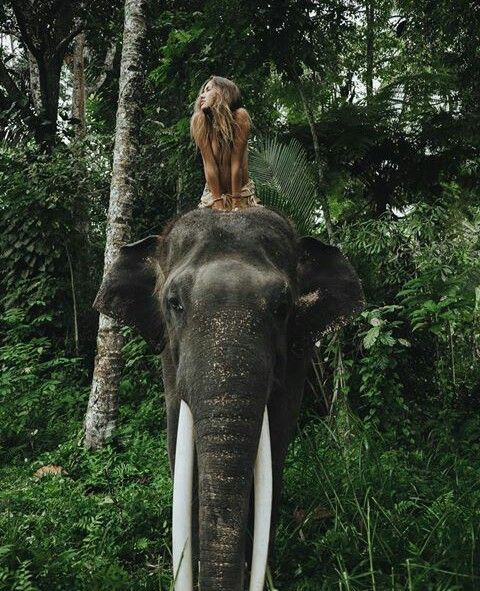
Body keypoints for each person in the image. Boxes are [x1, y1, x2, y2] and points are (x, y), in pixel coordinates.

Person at [190, 75, 260, 211]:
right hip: (213, 194)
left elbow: (237, 164)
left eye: (208, 90)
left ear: (223, 92)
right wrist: (217, 202)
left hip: (241, 192)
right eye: (203, 91)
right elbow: (209, 165)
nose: (202, 96)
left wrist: (237, 204)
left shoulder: (240, 116)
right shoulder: (200, 121)